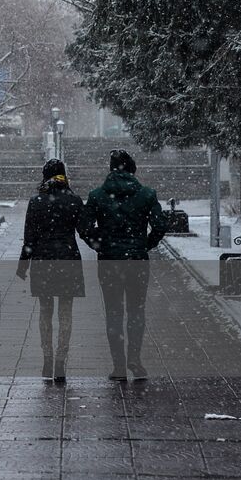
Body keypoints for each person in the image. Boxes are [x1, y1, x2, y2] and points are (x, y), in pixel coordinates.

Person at [80, 149, 167, 380]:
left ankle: (118, 366)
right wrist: (144, 244)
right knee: (137, 311)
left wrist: (100, 244)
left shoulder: (97, 195)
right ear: (132, 169)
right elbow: (160, 225)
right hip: (137, 261)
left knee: (113, 312)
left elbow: (84, 226)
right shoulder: (147, 194)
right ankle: (135, 361)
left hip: (110, 261)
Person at [16, 158, 86, 383]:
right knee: (66, 313)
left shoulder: (36, 201)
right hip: (68, 260)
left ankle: (47, 359)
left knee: (45, 311)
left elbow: (29, 238)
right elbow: (85, 231)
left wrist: (23, 265)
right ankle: (60, 362)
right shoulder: (74, 200)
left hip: (43, 262)